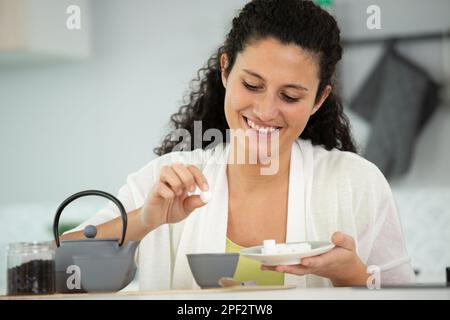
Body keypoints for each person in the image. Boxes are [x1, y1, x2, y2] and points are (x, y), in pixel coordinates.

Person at [62, 0, 416, 289]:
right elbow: (64, 274)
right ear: (226, 70)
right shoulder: (165, 180)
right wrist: (145, 220)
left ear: (320, 99)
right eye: (252, 85)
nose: (265, 111)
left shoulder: (356, 182)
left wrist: (351, 276)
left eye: (290, 96)